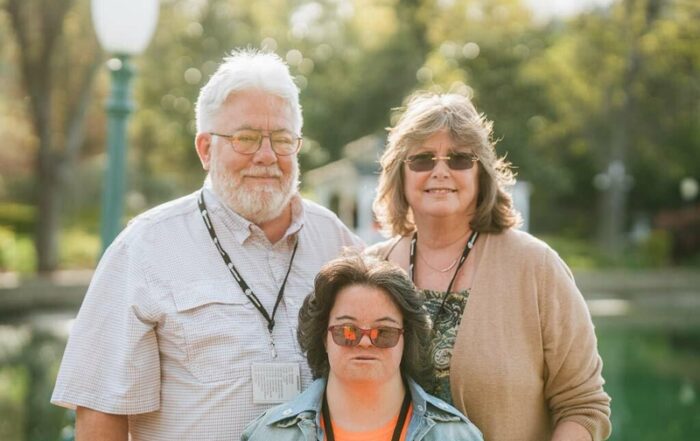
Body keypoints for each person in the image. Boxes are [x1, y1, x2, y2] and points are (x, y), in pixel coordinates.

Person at [51, 49, 363, 441]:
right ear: (205, 148)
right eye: (246, 139)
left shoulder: (334, 240)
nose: (266, 156)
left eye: (282, 140)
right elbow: (101, 412)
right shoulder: (145, 248)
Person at [367, 92, 612, 441]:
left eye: (459, 159)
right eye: (422, 159)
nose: (440, 171)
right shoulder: (370, 269)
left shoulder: (535, 267)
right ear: (399, 174)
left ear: (481, 172)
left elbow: (583, 406)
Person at [241, 253, 484, 441]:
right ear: (323, 337)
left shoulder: (456, 435)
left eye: (384, 332)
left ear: (406, 338)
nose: (365, 341)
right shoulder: (269, 435)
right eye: (348, 331)